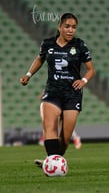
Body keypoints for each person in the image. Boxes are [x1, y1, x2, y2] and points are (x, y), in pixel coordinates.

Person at [20, 13, 95, 167]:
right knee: (49, 127)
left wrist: (83, 80)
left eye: (74, 27)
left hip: (72, 94)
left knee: (65, 139)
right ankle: (52, 164)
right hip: (52, 92)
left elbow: (91, 70)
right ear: (59, 27)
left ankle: (53, 160)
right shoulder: (48, 44)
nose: (70, 30)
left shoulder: (80, 45)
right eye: (67, 26)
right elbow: (40, 58)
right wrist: (28, 74)